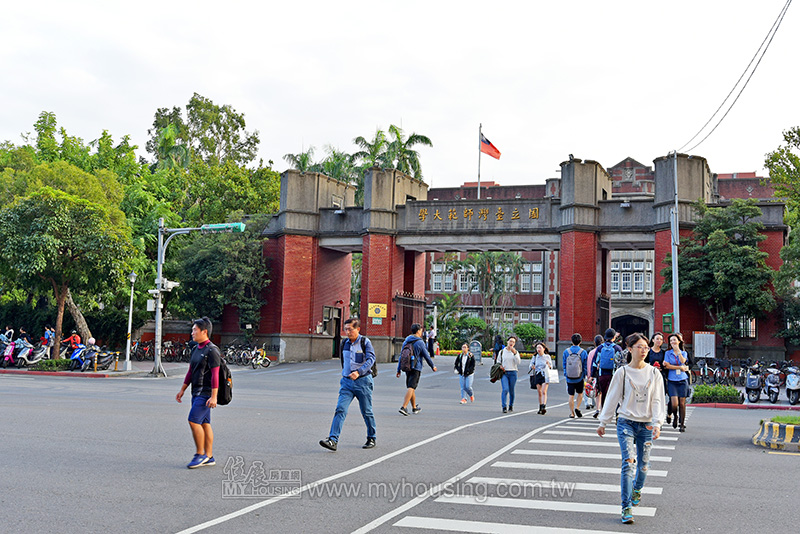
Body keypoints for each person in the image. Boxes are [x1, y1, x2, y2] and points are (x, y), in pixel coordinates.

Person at [596, 332, 665, 525]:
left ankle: (637, 489)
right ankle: (626, 507)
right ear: (629, 349)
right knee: (628, 462)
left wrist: (658, 424)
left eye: (646, 347)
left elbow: (658, 399)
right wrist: (604, 422)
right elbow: (612, 398)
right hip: (625, 421)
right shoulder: (623, 372)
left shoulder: (654, 373)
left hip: (647, 424)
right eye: (639, 347)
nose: (643, 350)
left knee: (643, 466)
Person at [320, 318, 377, 451]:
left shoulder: (365, 342)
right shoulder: (344, 343)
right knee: (340, 409)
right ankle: (333, 440)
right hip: (347, 383)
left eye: (350, 329)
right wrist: (346, 374)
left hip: (363, 381)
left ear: (358, 329)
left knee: (366, 411)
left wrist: (359, 371)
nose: (347, 332)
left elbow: (371, 359)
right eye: (345, 329)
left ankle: (371, 437)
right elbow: (344, 361)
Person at [175, 317, 220, 469]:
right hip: (195, 392)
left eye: (195, 330)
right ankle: (209, 456)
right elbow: (190, 371)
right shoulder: (195, 348)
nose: (192, 332)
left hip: (206, 393)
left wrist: (214, 396)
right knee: (205, 423)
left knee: (193, 420)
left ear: (204, 332)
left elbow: (215, 375)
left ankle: (200, 454)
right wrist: (182, 389)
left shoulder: (212, 350)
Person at [396, 323, 437, 415]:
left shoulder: (406, 341)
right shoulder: (420, 342)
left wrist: (398, 369)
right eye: (421, 330)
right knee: (411, 387)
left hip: (407, 367)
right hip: (416, 367)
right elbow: (427, 356)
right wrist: (432, 366)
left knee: (411, 387)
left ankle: (414, 408)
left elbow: (401, 356)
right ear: (418, 331)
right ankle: (404, 407)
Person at [663, 332, 690, 432]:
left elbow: (683, 361)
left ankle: (682, 424)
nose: (672, 342)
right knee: (674, 403)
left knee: (682, 404)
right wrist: (679, 367)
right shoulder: (667, 353)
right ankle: (675, 416)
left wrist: (678, 351)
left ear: (679, 341)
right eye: (671, 341)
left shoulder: (683, 352)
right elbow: (667, 366)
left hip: (682, 380)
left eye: (674, 340)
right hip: (672, 380)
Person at [593, 328, 622, 419]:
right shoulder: (617, 348)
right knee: (615, 393)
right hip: (613, 374)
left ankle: (604, 413)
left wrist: (593, 375)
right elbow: (620, 362)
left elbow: (595, 362)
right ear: (614, 337)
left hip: (602, 374)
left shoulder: (600, 348)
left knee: (604, 394)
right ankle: (617, 413)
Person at [645, 332, 672, 424]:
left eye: (661, 339)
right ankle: (650, 418)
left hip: (661, 377)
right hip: (650, 377)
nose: (659, 341)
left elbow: (667, 366)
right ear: (653, 340)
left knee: (660, 398)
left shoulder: (664, 353)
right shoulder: (648, 352)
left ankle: (659, 419)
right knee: (650, 398)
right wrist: (651, 367)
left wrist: (663, 367)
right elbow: (643, 364)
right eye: (657, 339)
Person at [563, 333, 588, 418]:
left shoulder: (566, 352)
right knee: (580, 393)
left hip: (569, 377)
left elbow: (564, 364)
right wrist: (584, 375)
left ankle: (572, 413)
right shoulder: (583, 352)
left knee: (571, 395)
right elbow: (585, 365)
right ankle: (577, 407)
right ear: (580, 341)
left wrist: (566, 374)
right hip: (579, 377)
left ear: (571, 341)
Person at [497, 335, 521, 413]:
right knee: (505, 389)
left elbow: (518, 362)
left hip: (513, 372)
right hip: (504, 372)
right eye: (510, 341)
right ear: (507, 342)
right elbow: (498, 362)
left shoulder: (515, 352)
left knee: (511, 390)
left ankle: (511, 405)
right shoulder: (502, 351)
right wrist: (500, 366)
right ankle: (504, 406)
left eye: (513, 342)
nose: (511, 343)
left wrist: (514, 354)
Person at [528, 341, 552, 414]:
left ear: (544, 349)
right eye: (537, 347)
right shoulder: (535, 357)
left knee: (544, 391)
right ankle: (540, 406)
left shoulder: (547, 357)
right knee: (539, 392)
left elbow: (551, 367)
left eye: (540, 348)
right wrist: (532, 366)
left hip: (545, 374)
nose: (538, 349)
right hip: (538, 374)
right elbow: (530, 365)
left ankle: (544, 406)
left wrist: (548, 364)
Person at [585, 334, 603, 411]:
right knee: (603, 392)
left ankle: (597, 409)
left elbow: (589, 364)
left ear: (594, 342)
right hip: (603, 373)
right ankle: (602, 409)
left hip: (595, 374)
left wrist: (589, 376)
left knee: (597, 392)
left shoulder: (592, 352)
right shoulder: (604, 350)